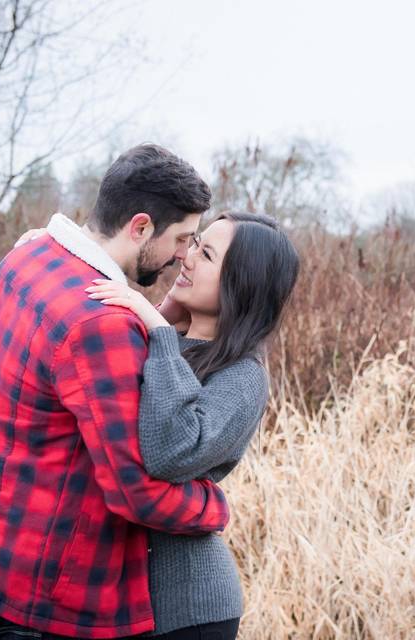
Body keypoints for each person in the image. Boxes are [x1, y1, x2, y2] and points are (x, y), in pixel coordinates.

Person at [0, 143, 229, 640]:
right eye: (182, 239)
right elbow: (138, 493)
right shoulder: (100, 323)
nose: (183, 257)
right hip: (55, 601)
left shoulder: (27, 257)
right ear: (141, 226)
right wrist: (215, 508)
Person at [85, 210, 300, 639]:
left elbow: (171, 451)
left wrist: (157, 329)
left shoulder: (243, 376)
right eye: (194, 244)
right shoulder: (174, 342)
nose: (187, 257)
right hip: (123, 598)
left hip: (189, 611)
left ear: (241, 283)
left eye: (207, 254)